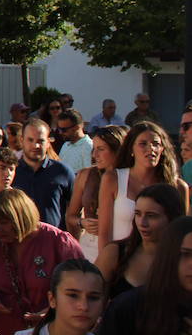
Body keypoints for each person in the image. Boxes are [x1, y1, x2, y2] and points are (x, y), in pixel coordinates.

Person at [0, 188, 83, 335]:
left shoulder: (57, 241)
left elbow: (81, 285)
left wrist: (57, 309)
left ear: (22, 218)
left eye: (4, 222)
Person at [98, 119, 188, 253]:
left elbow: (182, 234)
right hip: (122, 261)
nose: (150, 149)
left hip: (161, 262)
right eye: (143, 144)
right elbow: (104, 233)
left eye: (156, 144)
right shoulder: (113, 179)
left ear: (162, 149)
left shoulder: (177, 187)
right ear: (131, 149)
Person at [95, 182, 186, 299]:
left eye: (151, 215)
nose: (142, 223)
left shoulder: (185, 259)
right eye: (138, 214)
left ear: (172, 218)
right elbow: (92, 300)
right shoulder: (115, 253)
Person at [65, 125, 122, 261]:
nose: (94, 155)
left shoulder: (129, 177)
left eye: (101, 149)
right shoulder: (86, 175)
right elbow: (70, 216)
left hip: (120, 243)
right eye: (94, 149)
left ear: (117, 150)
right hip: (90, 246)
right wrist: (82, 222)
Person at [12, 119, 74, 230]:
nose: (35, 145)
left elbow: (75, 210)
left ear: (48, 142)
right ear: (22, 140)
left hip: (54, 242)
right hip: (19, 241)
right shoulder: (11, 172)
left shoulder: (63, 172)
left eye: (40, 141)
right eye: (30, 140)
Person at [53, 108, 92, 179]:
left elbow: (90, 177)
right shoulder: (65, 145)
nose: (60, 133)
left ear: (77, 127)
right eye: (59, 129)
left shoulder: (88, 147)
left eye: (64, 130)